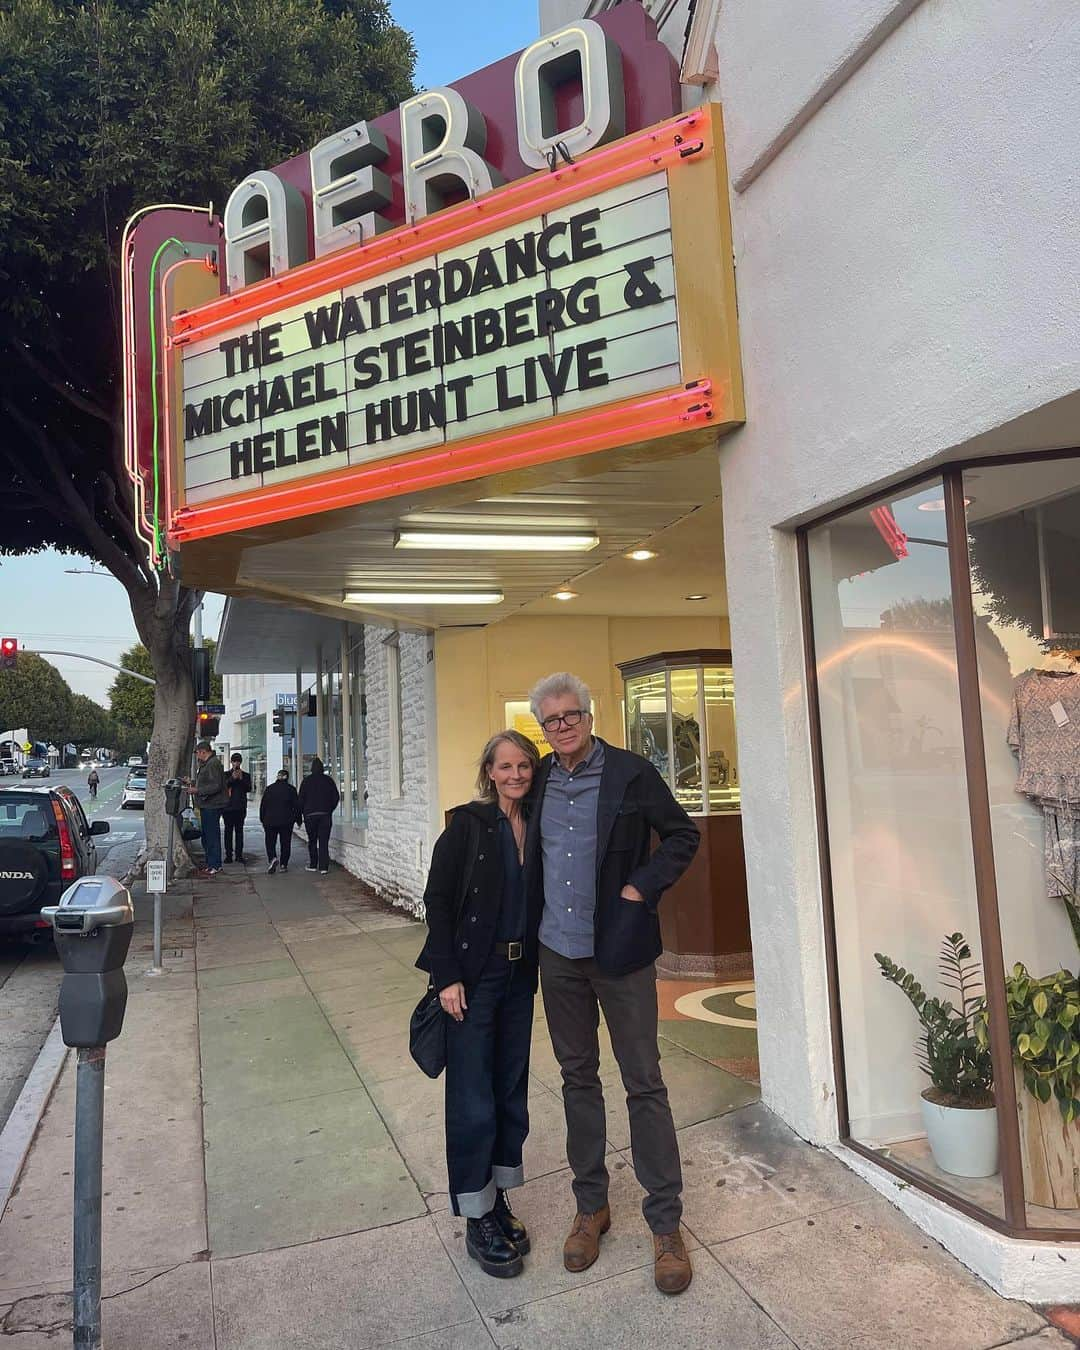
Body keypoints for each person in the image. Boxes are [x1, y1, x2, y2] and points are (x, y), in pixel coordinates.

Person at [525, 672, 700, 1296]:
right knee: (577, 1079)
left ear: (590, 716)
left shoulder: (631, 773)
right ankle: (591, 1206)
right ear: (541, 729)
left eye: (570, 716)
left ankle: (665, 1223)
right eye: (550, 721)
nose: (562, 727)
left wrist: (640, 886)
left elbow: (683, 834)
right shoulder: (538, 779)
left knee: (643, 1082)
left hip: (621, 954)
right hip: (558, 956)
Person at [416, 729, 541, 1280]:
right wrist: (447, 976)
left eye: (524, 766)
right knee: (471, 1098)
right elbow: (436, 900)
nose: (515, 775)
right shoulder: (468, 825)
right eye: (505, 766)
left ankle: (499, 1199)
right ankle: (475, 1214)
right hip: (475, 975)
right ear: (489, 771)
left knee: (509, 1087)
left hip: (521, 975)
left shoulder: (537, 826)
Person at [187, 740, 228, 877]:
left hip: (212, 804)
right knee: (207, 836)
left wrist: (197, 790)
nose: (197, 757)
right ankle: (212, 863)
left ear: (202, 752)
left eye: (198, 753)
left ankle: (215, 865)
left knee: (211, 836)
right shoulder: (208, 764)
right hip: (207, 804)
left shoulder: (212, 764)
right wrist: (192, 783)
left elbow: (215, 785)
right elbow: (207, 783)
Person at [297, 757, 339, 873]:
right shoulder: (328, 780)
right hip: (325, 815)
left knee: (312, 841)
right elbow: (336, 797)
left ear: (311, 769)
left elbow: (300, 800)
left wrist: (301, 815)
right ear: (322, 768)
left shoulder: (306, 781)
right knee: (324, 841)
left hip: (310, 815)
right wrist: (329, 809)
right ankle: (324, 867)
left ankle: (313, 864)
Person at [260, 768, 300, 874]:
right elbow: (296, 806)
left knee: (270, 842)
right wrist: (298, 820)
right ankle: (283, 865)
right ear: (287, 777)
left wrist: (262, 819)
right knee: (285, 843)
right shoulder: (291, 789)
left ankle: (272, 858)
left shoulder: (269, 789)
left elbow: (263, 806)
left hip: (270, 820)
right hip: (286, 821)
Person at [223, 753, 253, 865]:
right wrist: (232, 778)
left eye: (238, 761)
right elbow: (223, 786)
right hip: (228, 807)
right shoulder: (226, 775)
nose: (236, 763)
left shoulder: (246, 775)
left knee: (239, 832)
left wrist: (240, 779)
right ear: (231, 762)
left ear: (241, 762)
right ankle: (228, 855)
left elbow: (249, 788)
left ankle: (239, 855)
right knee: (228, 832)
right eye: (234, 761)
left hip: (240, 807)